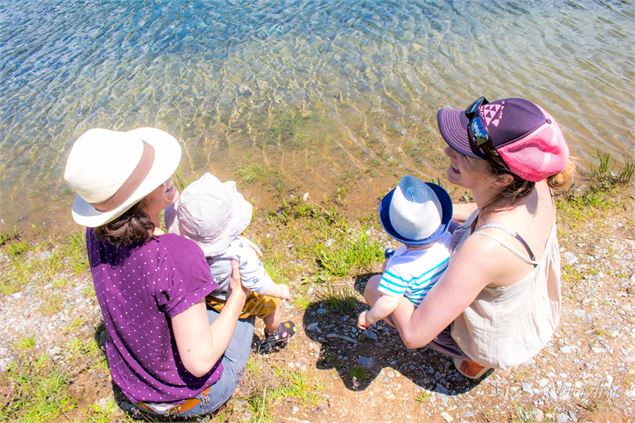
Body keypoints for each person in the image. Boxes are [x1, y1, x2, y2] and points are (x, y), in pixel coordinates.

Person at [363, 97, 573, 379]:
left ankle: (474, 359)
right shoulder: (533, 181)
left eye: (464, 153)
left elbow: (414, 335)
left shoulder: (484, 249)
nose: (448, 150)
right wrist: (438, 219)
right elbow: (481, 212)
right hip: (523, 311)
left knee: (374, 287)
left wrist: (393, 282)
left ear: (502, 179)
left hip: (497, 341)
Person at [63, 127, 254, 417]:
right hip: (189, 398)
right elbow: (199, 363)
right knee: (243, 308)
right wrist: (239, 295)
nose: (168, 176)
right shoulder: (176, 256)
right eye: (155, 177)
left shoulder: (96, 234)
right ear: (135, 202)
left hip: (131, 386)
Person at [164, 172, 296, 354]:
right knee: (272, 305)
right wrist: (280, 290)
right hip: (233, 299)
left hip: (209, 296)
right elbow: (258, 282)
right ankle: (275, 334)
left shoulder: (182, 245)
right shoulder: (240, 253)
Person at [357, 176, 453, 330]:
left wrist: (368, 317)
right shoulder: (448, 237)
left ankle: (400, 326)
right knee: (391, 264)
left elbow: (388, 303)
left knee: (373, 283)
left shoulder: (401, 267)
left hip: (422, 314)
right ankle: (391, 258)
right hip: (445, 302)